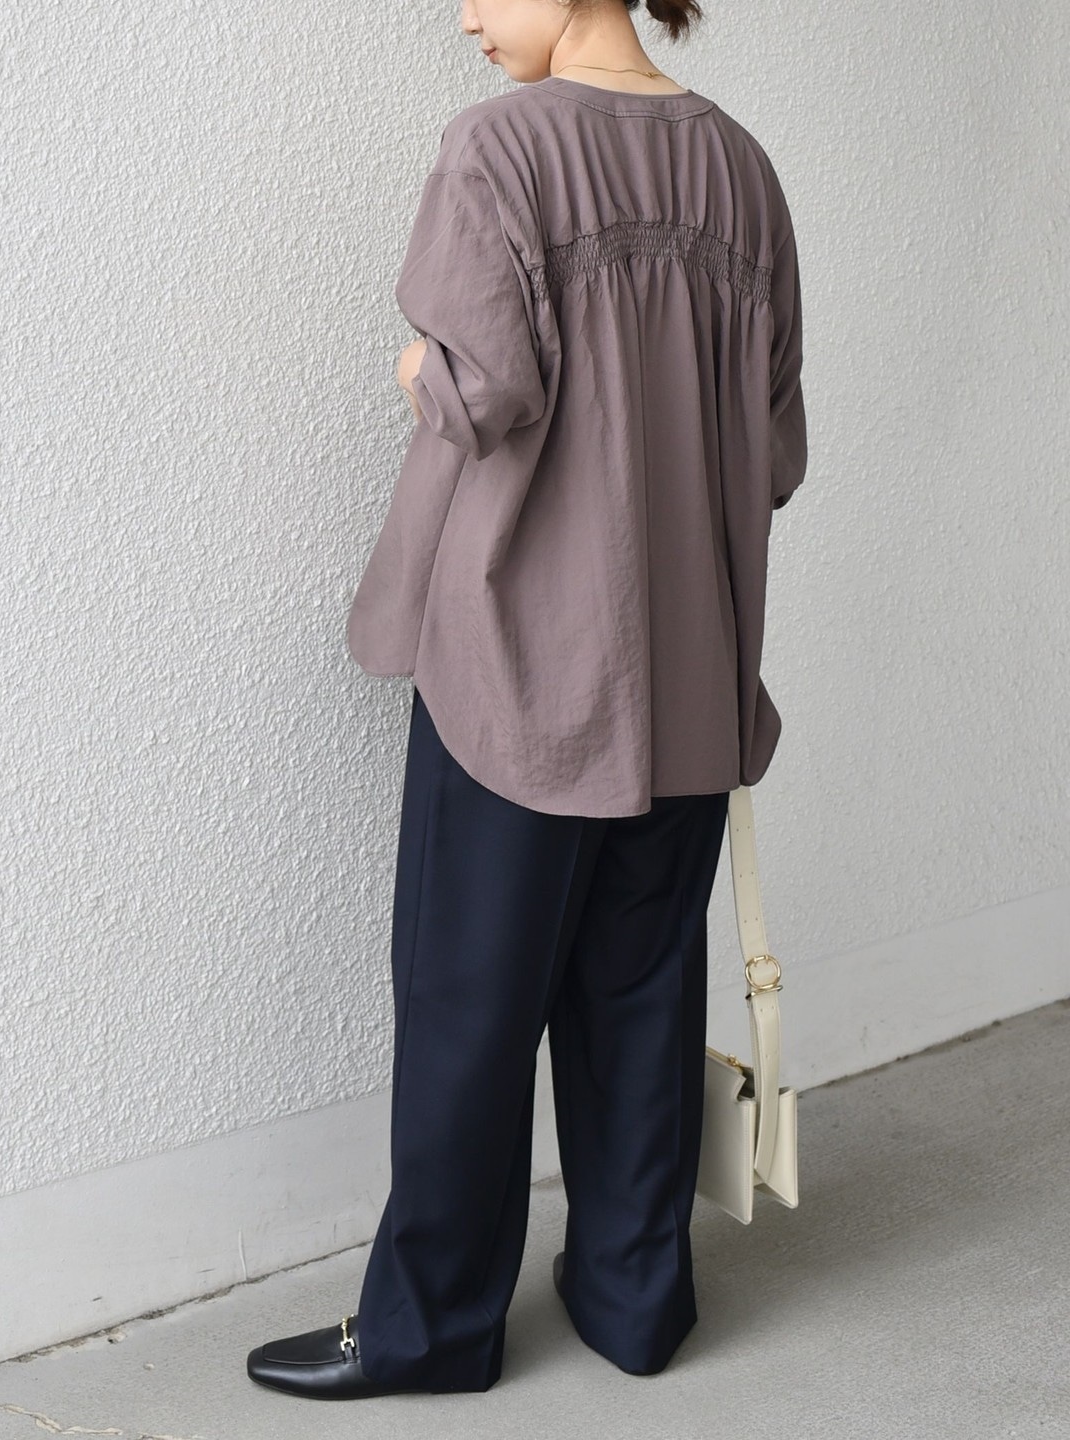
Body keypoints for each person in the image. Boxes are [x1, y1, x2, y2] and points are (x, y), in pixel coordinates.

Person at [246, 0, 806, 1400]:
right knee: (639, 996)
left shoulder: (504, 150)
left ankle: (432, 1329)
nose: (465, 16)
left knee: (469, 1007)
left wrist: (416, 368)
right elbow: (779, 444)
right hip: (692, 671)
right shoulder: (742, 169)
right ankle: (636, 1301)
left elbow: (481, 391)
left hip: (521, 670)